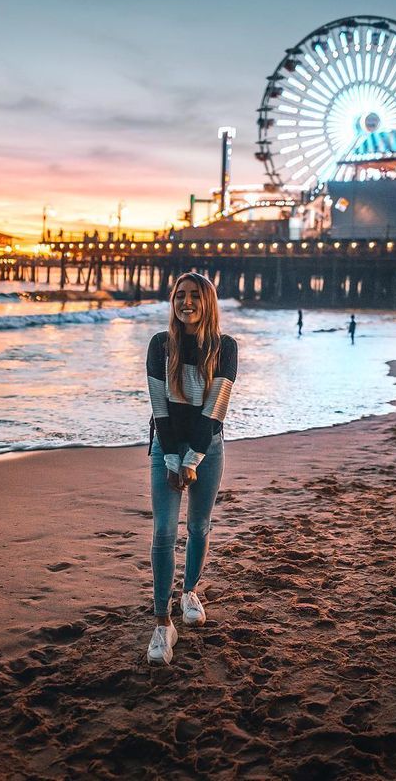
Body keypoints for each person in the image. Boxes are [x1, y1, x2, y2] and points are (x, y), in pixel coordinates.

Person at [145, 272, 238, 666]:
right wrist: (170, 458)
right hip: (164, 444)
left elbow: (215, 409)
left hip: (207, 447)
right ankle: (163, 622)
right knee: (164, 530)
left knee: (199, 526)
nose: (186, 302)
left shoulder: (225, 347)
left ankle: (189, 592)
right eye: (179, 295)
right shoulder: (161, 345)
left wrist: (192, 460)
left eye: (195, 296)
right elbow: (159, 407)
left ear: (208, 302)